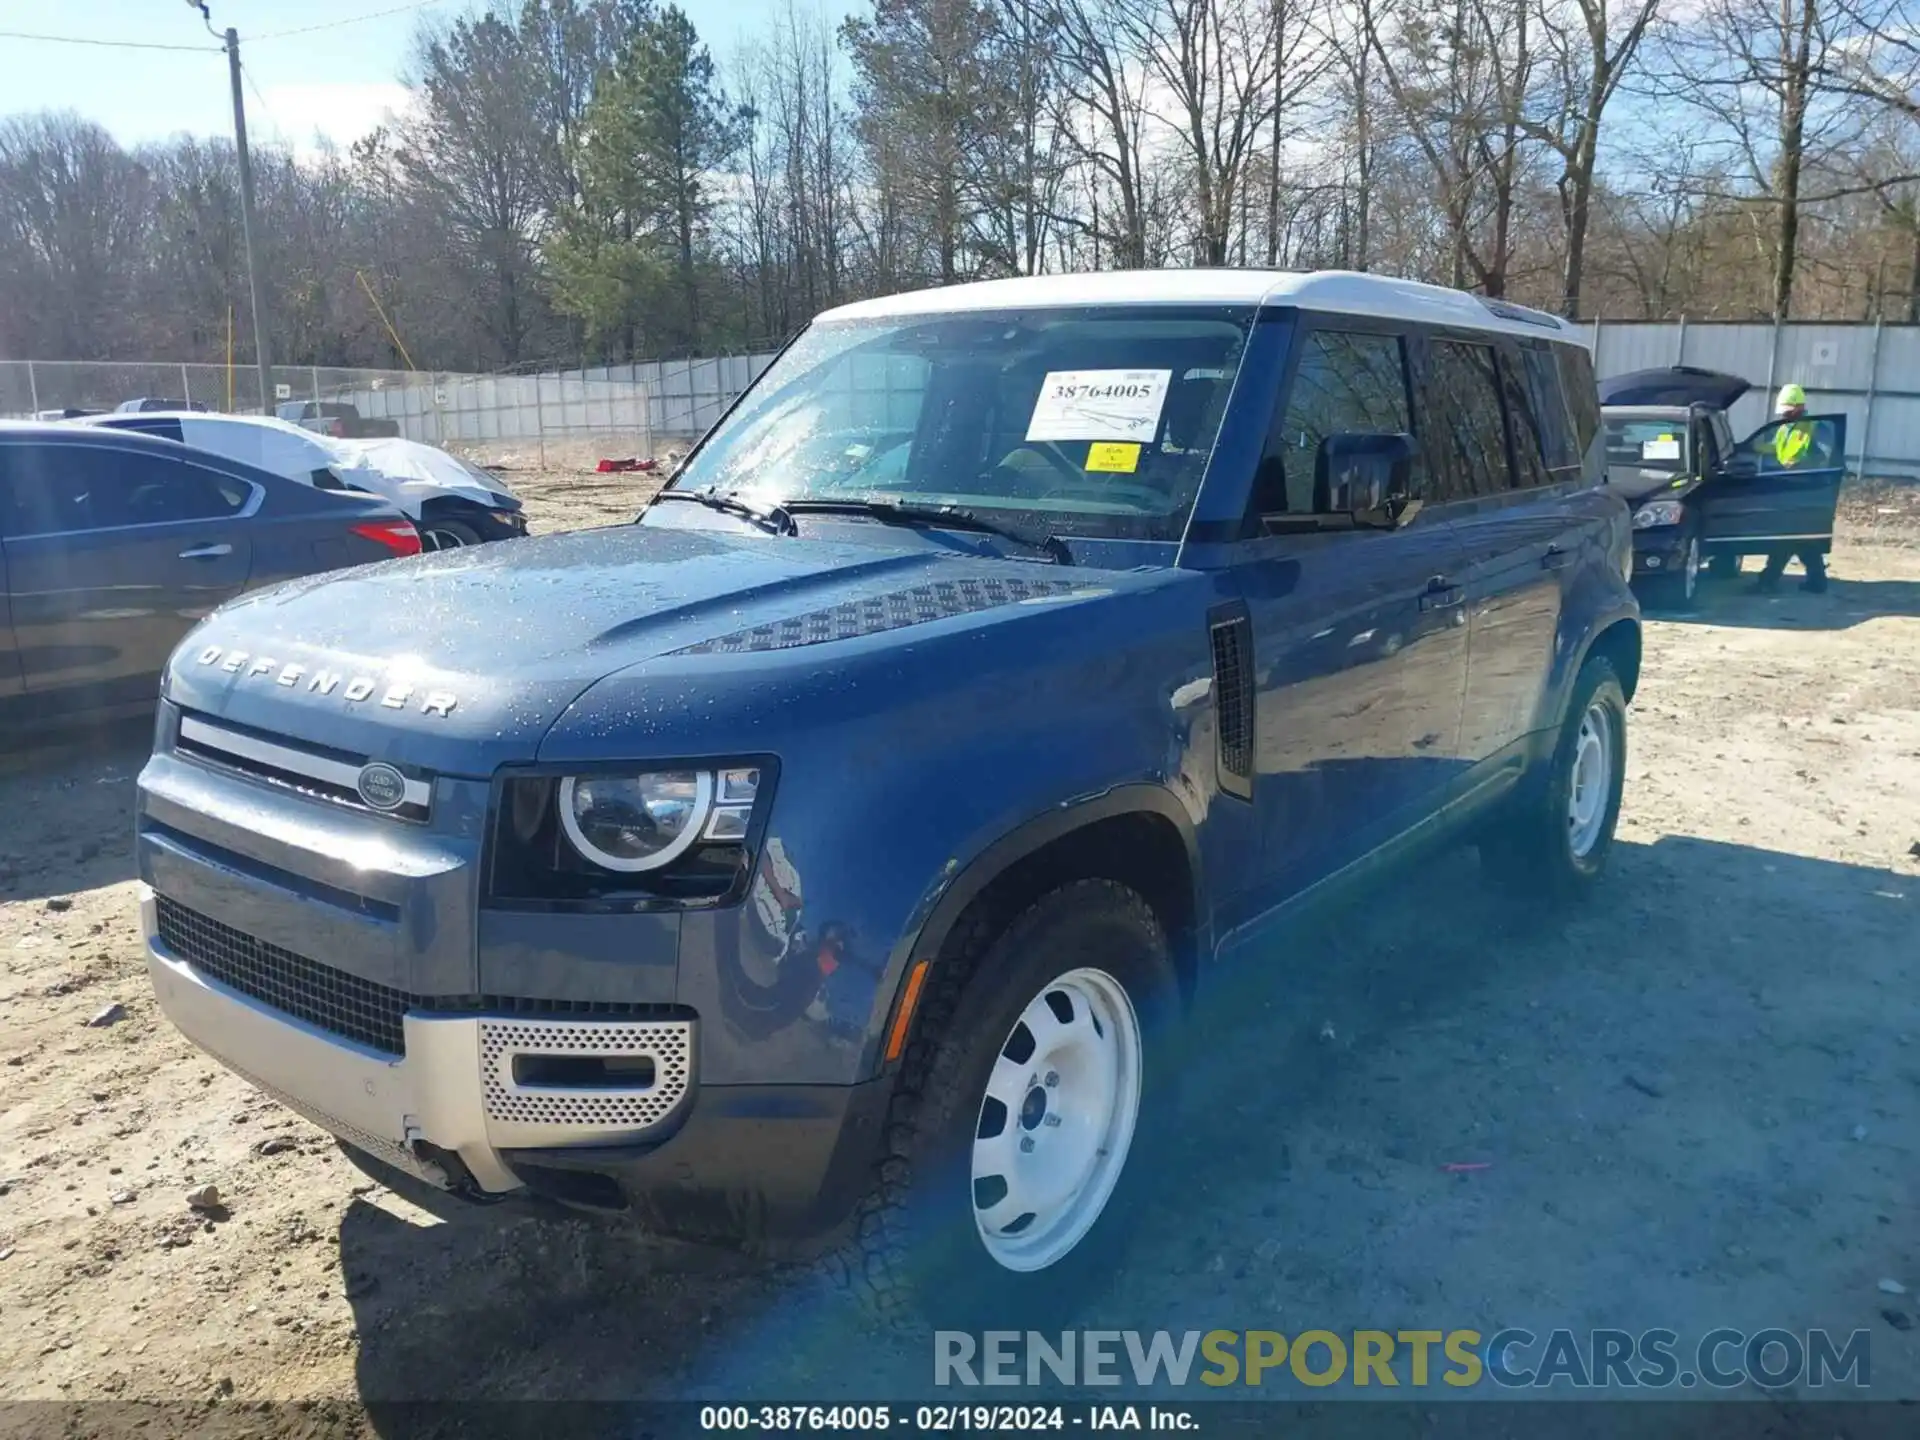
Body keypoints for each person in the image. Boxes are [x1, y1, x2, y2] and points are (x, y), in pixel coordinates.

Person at [1755, 383, 1829, 594]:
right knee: (1801, 538)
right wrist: (1754, 446)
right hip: (1787, 487)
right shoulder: (1784, 428)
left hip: (1805, 488)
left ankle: (1768, 581)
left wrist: (1803, 464)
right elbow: (1777, 449)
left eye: (1788, 411)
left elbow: (1824, 454)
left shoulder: (1814, 426)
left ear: (1799, 407)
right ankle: (1816, 581)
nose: (1784, 415)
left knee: (1786, 537)